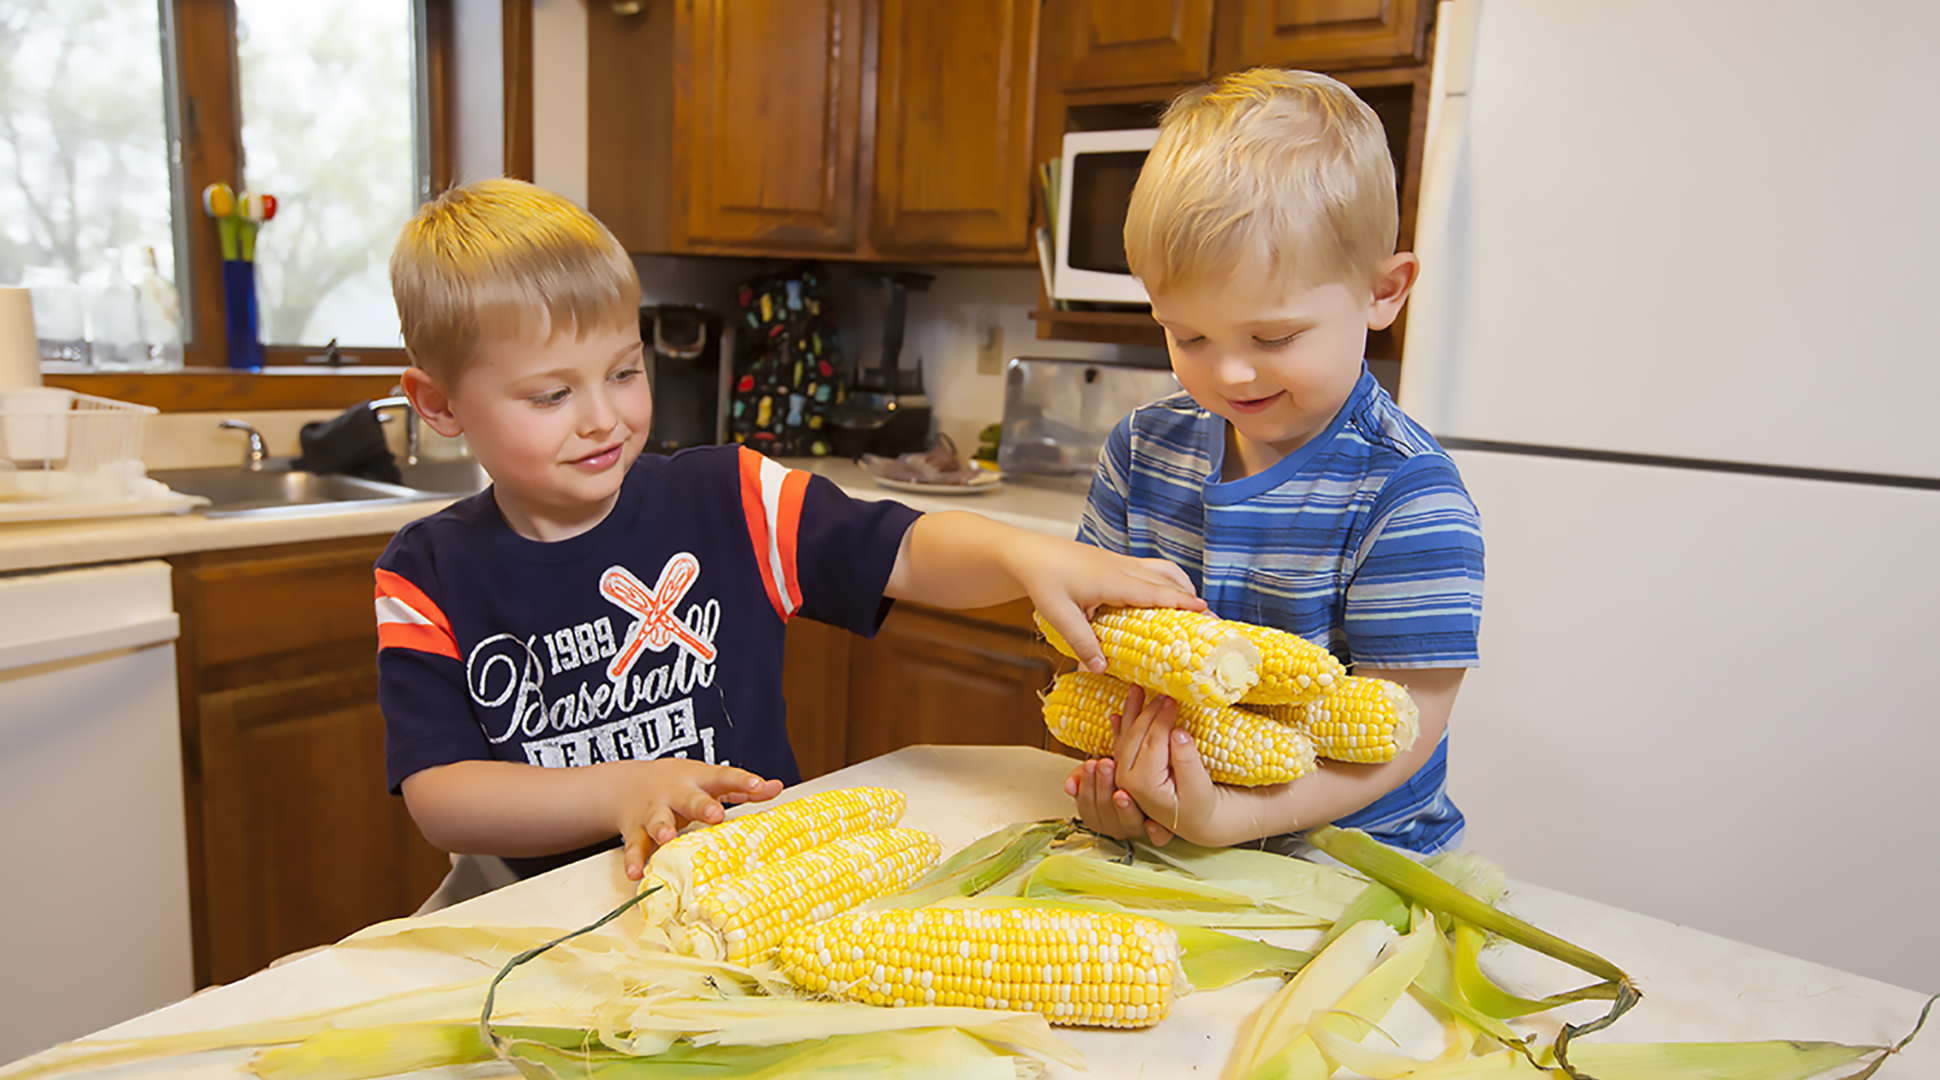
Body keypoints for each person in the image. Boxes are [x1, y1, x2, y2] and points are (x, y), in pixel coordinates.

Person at [375, 178, 1201, 888]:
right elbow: (441, 795)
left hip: (751, 880)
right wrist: (618, 791)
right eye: (551, 396)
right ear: (439, 403)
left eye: (625, 372)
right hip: (536, 911)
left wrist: (1019, 554)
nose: (603, 419)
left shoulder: (727, 497)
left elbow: (908, 551)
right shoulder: (427, 572)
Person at [1064, 69, 1485, 856]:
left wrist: (1234, 819)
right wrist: (1124, 780)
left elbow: (1407, 731)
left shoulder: (1406, 495)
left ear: (1383, 293)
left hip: (1357, 871)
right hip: (1179, 843)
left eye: (1273, 339)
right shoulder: (1140, 450)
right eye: (1188, 336)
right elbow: (1095, 654)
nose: (1228, 375)